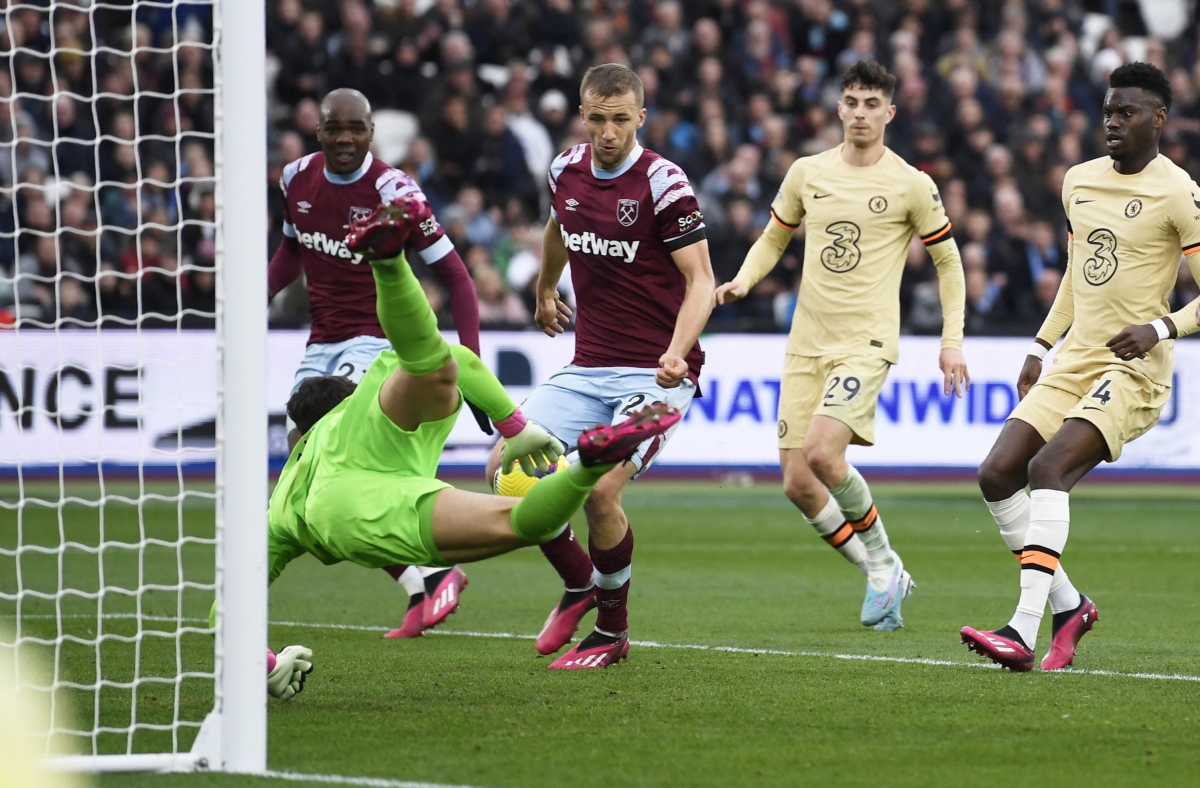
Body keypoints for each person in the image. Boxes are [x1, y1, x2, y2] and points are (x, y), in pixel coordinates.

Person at [261, 198, 681, 686]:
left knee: (515, 507)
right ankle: (390, 264)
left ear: (302, 437)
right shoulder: (358, 403)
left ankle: (569, 565)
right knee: (435, 368)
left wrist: (268, 668)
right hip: (399, 484)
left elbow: (225, 607)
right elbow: (456, 354)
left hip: (350, 520)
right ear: (343, 402)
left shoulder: (280, 500)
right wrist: (515, 427)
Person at [715, 60, 970, 631]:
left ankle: (883, 561)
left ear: (890, 113)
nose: (860, 112)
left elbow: (948, 263)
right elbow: (774, 236)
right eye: (851, 101)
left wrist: (951, 341)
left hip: (867, 340)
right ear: (839, 108)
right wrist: (744, 280)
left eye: (871, 103)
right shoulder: (808, 172)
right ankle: (883, 575)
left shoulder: (911, 183)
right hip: (806, 342)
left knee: (825, 454)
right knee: (797, 483)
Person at [962, 62, 1200, 672]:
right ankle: (1070, 608)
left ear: (1159, 120)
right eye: (1108, 111)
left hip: (1134, 367)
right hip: (1073, 358)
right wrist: (1042, 346)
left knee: (1047, 470)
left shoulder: (1178, 191)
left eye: (1127, 113)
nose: (1113, 122)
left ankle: (1020, 629)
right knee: (996, 474)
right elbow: (1076, 274)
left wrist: (1160, 326)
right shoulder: (1078, 181)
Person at [485, 64, 715, 669]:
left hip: (659, 374)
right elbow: (559, 228)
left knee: (601, 491)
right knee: (504, 470)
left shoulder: (665, 184)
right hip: (587, 367)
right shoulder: (564, 168)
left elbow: (702, 280)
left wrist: (676, 349)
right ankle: (582, 582)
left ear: (641, 117)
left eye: (620, 119)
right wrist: (543, 290)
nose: (608, 131)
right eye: (597, 118)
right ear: (582, 115)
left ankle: (612, 629)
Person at [267, 88, 484, 640]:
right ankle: (422, 582)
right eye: (333, 128)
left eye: (355, 129)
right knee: (305, 466)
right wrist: (251, 299)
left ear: (370, 132)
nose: (344, 139)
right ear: (318, 131)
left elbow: (456, 276)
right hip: (322, 343)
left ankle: (433, 570)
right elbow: (292, 251)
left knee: (338, 467)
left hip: (378, 342)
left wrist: (474, 365)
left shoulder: (394, 190)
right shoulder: (294, 178)